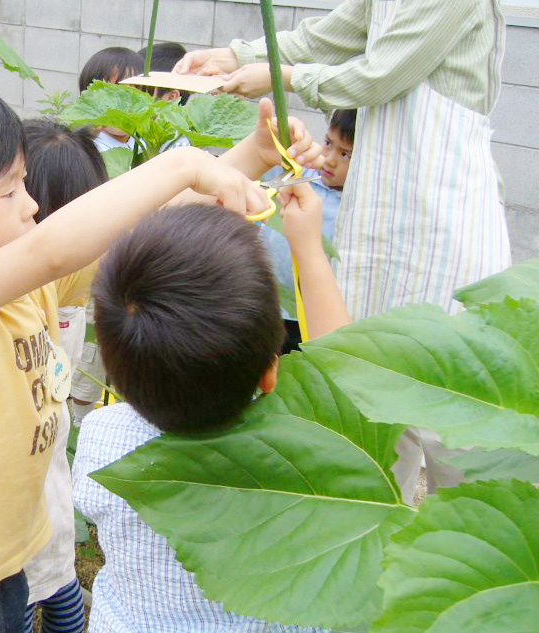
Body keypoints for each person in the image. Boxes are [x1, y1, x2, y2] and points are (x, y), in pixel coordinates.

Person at [0, 73, 326, 633]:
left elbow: (142, 222)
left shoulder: (22, 285)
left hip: (0, 569)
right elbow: (50, 248)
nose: (32, 204)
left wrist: (252, 157)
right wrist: (181, 163)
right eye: (12, 190)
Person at [174, 0, 507, 501]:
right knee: (371, 405)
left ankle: (478, 544)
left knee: (452, 410)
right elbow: (328, 35)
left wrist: (279, 77)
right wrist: (233, 54)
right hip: (380, 221)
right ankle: (375, 538)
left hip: (440, 221)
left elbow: (379, 76)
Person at [72, 182, 346, 633]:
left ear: (117, 377)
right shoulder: (307, 445)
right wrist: (308, 249)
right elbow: (346, 368)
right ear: (270, 372)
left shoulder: (103, 440)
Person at [19, 118, 110, 633]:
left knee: (47, 570)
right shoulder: (61, 284)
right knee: (49, 575)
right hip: (35, 469)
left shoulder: (56, 287)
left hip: (38, 465)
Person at [262, 108, 355, 353]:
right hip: (268, 302)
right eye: (328, 143)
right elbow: (267, 172)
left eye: (345, 154)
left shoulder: (352, 206)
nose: (331, 159)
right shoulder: (301, 174)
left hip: (305, 316)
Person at [78, 47, 144, 152]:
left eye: (133, 95)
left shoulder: (146, 145)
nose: (122, 105)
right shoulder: (85, 149)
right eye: (111, 94)